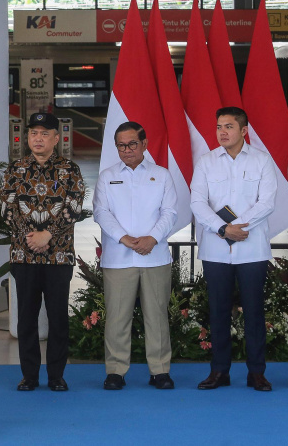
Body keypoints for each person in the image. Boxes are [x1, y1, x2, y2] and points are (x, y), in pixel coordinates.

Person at [190, 107, 277, 392]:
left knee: (253, 311)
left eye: (229, 126)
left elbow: (266, 202)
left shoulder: (262, 161)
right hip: (216, 248)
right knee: (218, 312)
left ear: (244, 130)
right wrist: (223, 229)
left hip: (252, 248)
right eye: (218, 127)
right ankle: (219, 371)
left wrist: (238, 227)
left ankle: (257, 373)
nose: (222, 132)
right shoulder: (205, 162)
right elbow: (197, 202)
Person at [3, 112, 86, 392]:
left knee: (58, 317)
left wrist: (48, 235)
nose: (38, 138)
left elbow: (74, 207)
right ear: (27, 137)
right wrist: (32, 238)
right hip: (24, 255)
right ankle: (29, 375)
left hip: (58, 256)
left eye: (44, 133)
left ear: (56, 138)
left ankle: (56, 376)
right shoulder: (14, 169)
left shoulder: (70, 169)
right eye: (33, 133)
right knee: (26, 317)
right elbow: (7, 209)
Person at [92, 121, 177, 391]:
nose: (126, 150)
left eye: (132, 144)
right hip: (118, 257)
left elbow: (170, 212)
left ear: (144, 144)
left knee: (157, 317)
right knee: (117, 317)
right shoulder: (107, 176)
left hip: (155, 256)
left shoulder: (161, 174)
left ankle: (160, 371)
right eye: (121, 145)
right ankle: (116, 371)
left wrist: (152, 238)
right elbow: (101, 212)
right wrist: (124, 238)